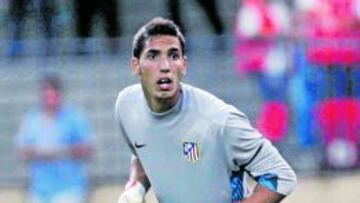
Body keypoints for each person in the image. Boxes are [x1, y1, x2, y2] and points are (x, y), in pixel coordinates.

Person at [115, 17, 296, 203]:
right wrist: (136, 187)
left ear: (184, 65)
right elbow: (142, 152)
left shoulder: (219, 120)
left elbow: (281, 176)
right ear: (135, 65)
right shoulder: (127, 106)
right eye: (153, 56)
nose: (165, 66)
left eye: (173, 55)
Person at [16, 73, 93, 203]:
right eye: (46, 95)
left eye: (53, 94)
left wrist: (61, 151)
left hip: (69, 189)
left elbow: (88, 150)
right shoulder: (32, 119)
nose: (50, 99)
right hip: (40, 190)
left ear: (60, 94)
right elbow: (22, 152)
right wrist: (39, 152)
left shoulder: (74, 118)